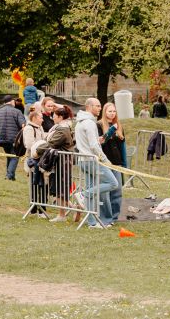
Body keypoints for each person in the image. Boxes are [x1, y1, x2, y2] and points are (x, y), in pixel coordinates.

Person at [74, 97, 123, 228]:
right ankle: (82, 194)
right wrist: (106, 160)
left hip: (84, 160)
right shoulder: (89, 123)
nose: (100, 108)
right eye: (98, 106)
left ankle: (92, 223)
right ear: (89, 107)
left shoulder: (80, 122)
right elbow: (93, 147)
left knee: (92, 191)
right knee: (113, 183)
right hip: (91, 161)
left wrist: (98, 140)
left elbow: (91, 142)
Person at [40, 105, 78, 218]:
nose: (53, 118)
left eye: (55, 116)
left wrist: (37, 150)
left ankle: (67, 212)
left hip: (62, 162)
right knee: (58, 189)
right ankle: (70, 210)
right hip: (60, 161)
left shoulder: (62, 129)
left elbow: (52, 143)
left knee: (60, 189)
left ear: (61, 117)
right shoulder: (63, 127)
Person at [22, 106, 50, 217]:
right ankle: (33, 208)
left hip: (42, 160)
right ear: (34, 118)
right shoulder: (29, 128)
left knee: (44, 185)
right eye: (41, 118)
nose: (42, 120)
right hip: (33, 161)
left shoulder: (40, 128)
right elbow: (29, 144)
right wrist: (41, 147)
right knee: (34, 184)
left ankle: (42, 208)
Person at [0, 97, 25, 180]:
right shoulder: (17, 112)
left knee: (9, 156)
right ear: (12, 101)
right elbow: (23, 125)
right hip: (14, 139)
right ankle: (9, 176)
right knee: (14, 156)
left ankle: (11, 176)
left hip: (2, 140)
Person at [100, 101, 127, 169]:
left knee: (118, 180)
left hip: (117, 161)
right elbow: (100, 143)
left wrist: (124, 162)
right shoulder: (99, 125)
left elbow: (122, 146)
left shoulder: (119, 126)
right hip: (105, 161)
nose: (112, 113)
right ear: (105, 112)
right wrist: (110, 131)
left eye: (114, 111)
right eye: (110, 111)